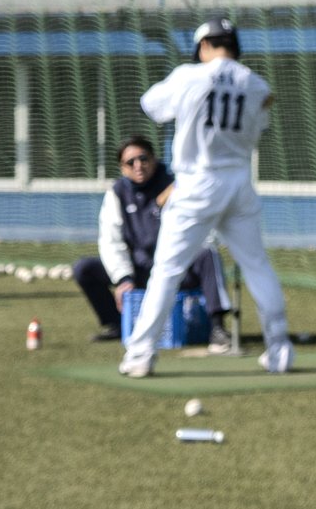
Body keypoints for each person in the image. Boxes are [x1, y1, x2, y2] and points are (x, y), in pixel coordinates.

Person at [117, 18, 292, 378]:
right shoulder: (256, 84)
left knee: (167, 270)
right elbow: (261, 119)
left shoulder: (189, 76)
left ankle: (140, 354)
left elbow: (150, 104)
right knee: (257, 265)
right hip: (238, 182)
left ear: (204, 46)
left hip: (196, 183)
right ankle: (280, 350)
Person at [73, 136, 233, 349]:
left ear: (154, 159)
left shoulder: (175, 185)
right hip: (140, 269)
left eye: (143, 159)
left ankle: (217, 327)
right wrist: (124, 278)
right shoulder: (117, 193)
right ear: (122, 168)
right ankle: (118, 324)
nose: (138, 166)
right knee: (84, 268)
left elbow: (201, 231)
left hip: (176, 267)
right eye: (130, 162)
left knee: (208, 254)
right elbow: (111, 241)